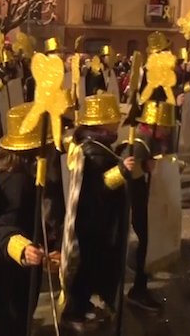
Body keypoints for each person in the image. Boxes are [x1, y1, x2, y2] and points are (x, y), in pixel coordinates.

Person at [60, 94, 134, 332]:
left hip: (96, 222)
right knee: (85, 268)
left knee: (92, 267)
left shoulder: (93, 145)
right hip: (93, 223)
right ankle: (74, 313)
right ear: (102, 123)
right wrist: (121, 172)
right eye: (113, 118)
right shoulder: (93, 151)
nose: (117, 123)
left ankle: (83, 305)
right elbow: (96, 189)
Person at [0, 103, 52, 335]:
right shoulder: (15, 183)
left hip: (17, 272)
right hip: (8, 275)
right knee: (14, 325)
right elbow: (1, 228)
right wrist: (23, 248)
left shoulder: (22, 176)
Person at [123, 100, 177, 313]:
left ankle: (142, 273)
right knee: (147, 240)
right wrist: (144, 166)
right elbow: (130, 172)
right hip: (141, 201)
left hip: (152, 199)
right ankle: (138, 288)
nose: (167, 130)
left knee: (149, 241)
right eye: (165, 126)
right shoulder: (141, 140)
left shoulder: (157, 138)